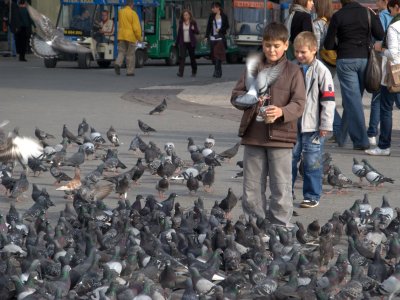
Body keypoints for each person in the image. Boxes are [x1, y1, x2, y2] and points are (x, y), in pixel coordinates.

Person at [230, 22, 306, 227]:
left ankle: (280, 224)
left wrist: (281, 112)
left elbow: (299, 103)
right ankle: (254, 225)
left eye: (276, 45)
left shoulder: (293, 71)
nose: (271, 50)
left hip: (281, 137)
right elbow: (235, 95)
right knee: (252, 186)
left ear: (285, 45)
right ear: (262, 45)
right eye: (267, 45)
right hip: (254, 135)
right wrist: (248, 99)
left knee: (280, 185)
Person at [324, 0, 384, 150]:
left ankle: (361, 141)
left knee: (352, 101)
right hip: (365, 59)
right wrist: (375, 17)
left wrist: (341, 46)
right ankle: (342, 138)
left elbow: (328, 44)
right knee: (352, 101)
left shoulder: (338, 16)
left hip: (345, 60)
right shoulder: (367, 12)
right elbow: (380, 34)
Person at [292, 32, 335, 208]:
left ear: (314, 50)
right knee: (289, 160)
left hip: (313, 126)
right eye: (296, 52)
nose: (299, 55)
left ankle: (312, 195)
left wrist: (325, 124)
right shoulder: (293, 68)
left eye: (303, 52)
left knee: (312, 162)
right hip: (294, 124)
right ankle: (286, 193)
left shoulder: (322, 71)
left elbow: (328, 101)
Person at [366, 0, 400, 156]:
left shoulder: (394, 27)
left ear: (396, 8)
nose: (390, 13)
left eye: (391, 9)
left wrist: (381, 48)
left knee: (386, 108)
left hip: (394, 72)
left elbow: (393, 53)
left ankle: (384, 146)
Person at [114, 0, 142, 76]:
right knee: (130, 54)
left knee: (121, 52)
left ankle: (117, 63)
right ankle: (130, 72)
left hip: (121, 36)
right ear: (132, 5)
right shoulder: (133, 13)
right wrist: (139, 38)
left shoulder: (121, 12)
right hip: (130, 37)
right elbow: (136, 28)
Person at [205, 2, 229, 78]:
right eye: (212, 8)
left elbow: (227, 26)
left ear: (218, 8)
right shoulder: (211, 16)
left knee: (217, 53)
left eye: (214, 7)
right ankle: (219, 71)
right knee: (214, 55)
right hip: (213, 37)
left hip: (220, 37)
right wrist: (206, 36)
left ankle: (216, 71)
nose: (212, 9)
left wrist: (220, 29)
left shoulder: (224, 16)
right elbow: (208, 26)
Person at [175, 9, 199, 77]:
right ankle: (180, 72)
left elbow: (197, 32)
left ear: (189, 15)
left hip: (191, 43)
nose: (185, 16)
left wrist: (193, 29)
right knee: (182, 57)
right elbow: (179, 34)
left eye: (186, 15)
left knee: (192, 58)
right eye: (184, 15)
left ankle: (194, 70)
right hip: (183, 43)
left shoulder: (193, 22)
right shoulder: (181, 23)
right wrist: (176, 43)